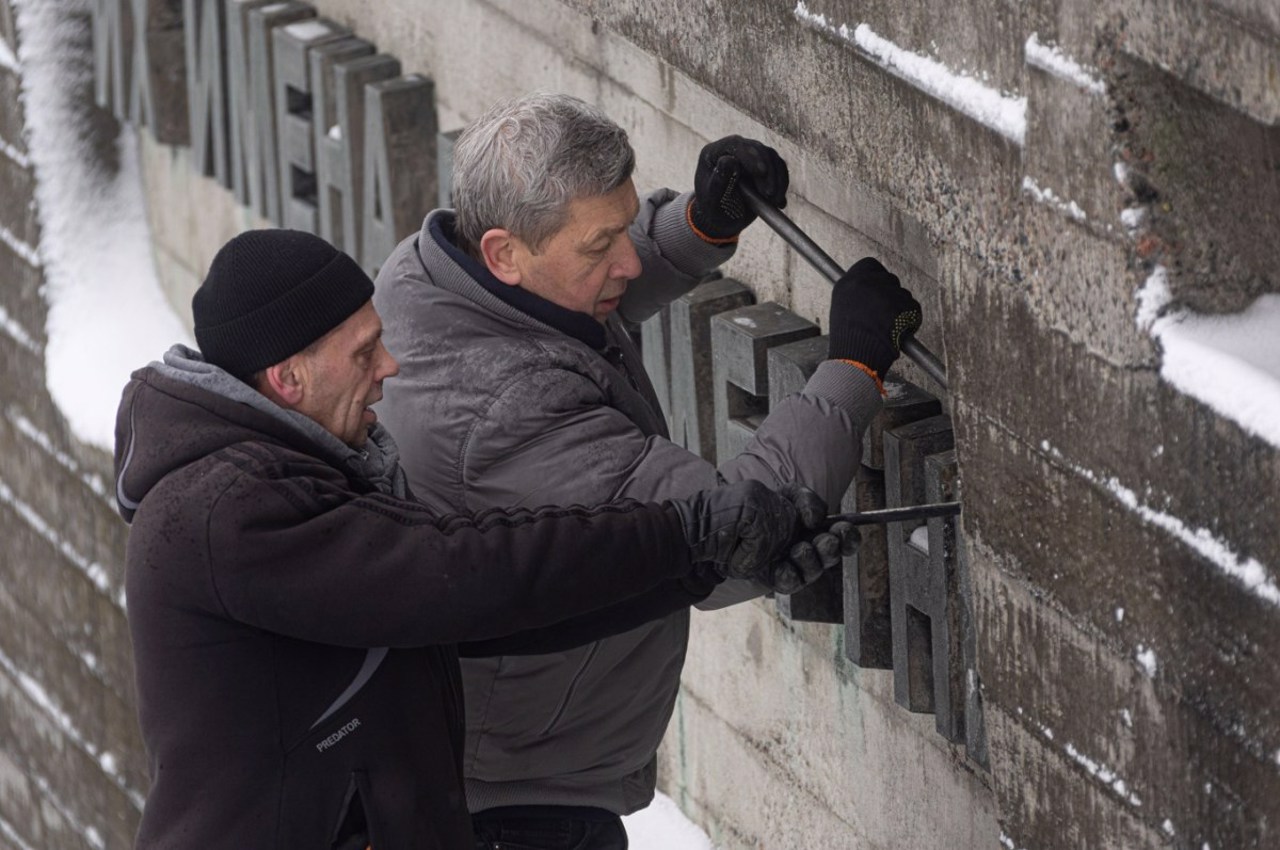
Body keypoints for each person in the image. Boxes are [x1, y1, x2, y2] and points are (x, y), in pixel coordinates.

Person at [113, 228, 851, 849]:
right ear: (288, 378)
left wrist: (701, 562)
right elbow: (465, 574)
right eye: (365, 352)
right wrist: (690, 533)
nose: (389, 369)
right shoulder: (232, 512)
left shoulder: (287, 476)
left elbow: (484, 615)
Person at [373, 92, 923, 849]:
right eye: (602, 246)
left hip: (504, 757)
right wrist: (854, 367)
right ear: (503, 251)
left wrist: (696, 228)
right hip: (516, 798)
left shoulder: (432, 275)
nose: (628, 260)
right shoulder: (505, 413)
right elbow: (729, 533)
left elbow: (573, 324)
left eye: (626, 227)